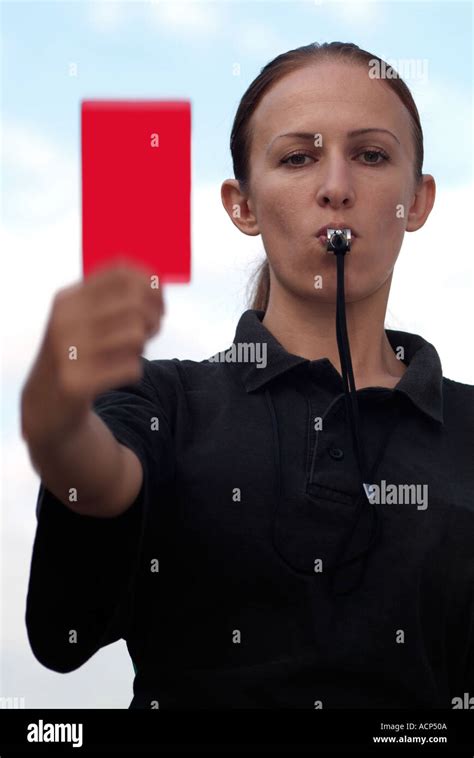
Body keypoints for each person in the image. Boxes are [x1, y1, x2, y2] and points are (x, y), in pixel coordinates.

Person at [22, 42, 473, 709]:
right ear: (242, 206)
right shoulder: (162, 397)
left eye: (372, 155)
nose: (336, 186)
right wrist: (56, 424)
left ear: (419, 200)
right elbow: (103, 479)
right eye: (298, 157)